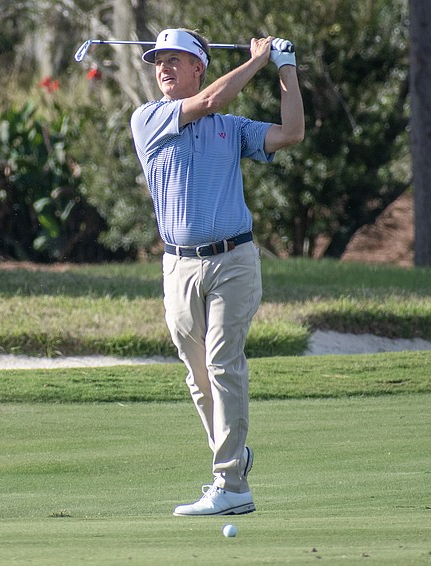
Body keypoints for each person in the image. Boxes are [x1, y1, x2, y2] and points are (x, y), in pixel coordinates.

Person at [130, 28, 304, 516]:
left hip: (234, 261)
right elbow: (205, 101)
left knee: (224, 361)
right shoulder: (147, 119)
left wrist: (285, 68)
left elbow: (291, 134)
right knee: (197, 372)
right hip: (178, 265)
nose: (163, 68)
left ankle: (230, 485)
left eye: (175, 60)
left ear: (199, 66)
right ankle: (234, 454)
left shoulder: (231, 127)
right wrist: (257, 61)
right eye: (158, 60)